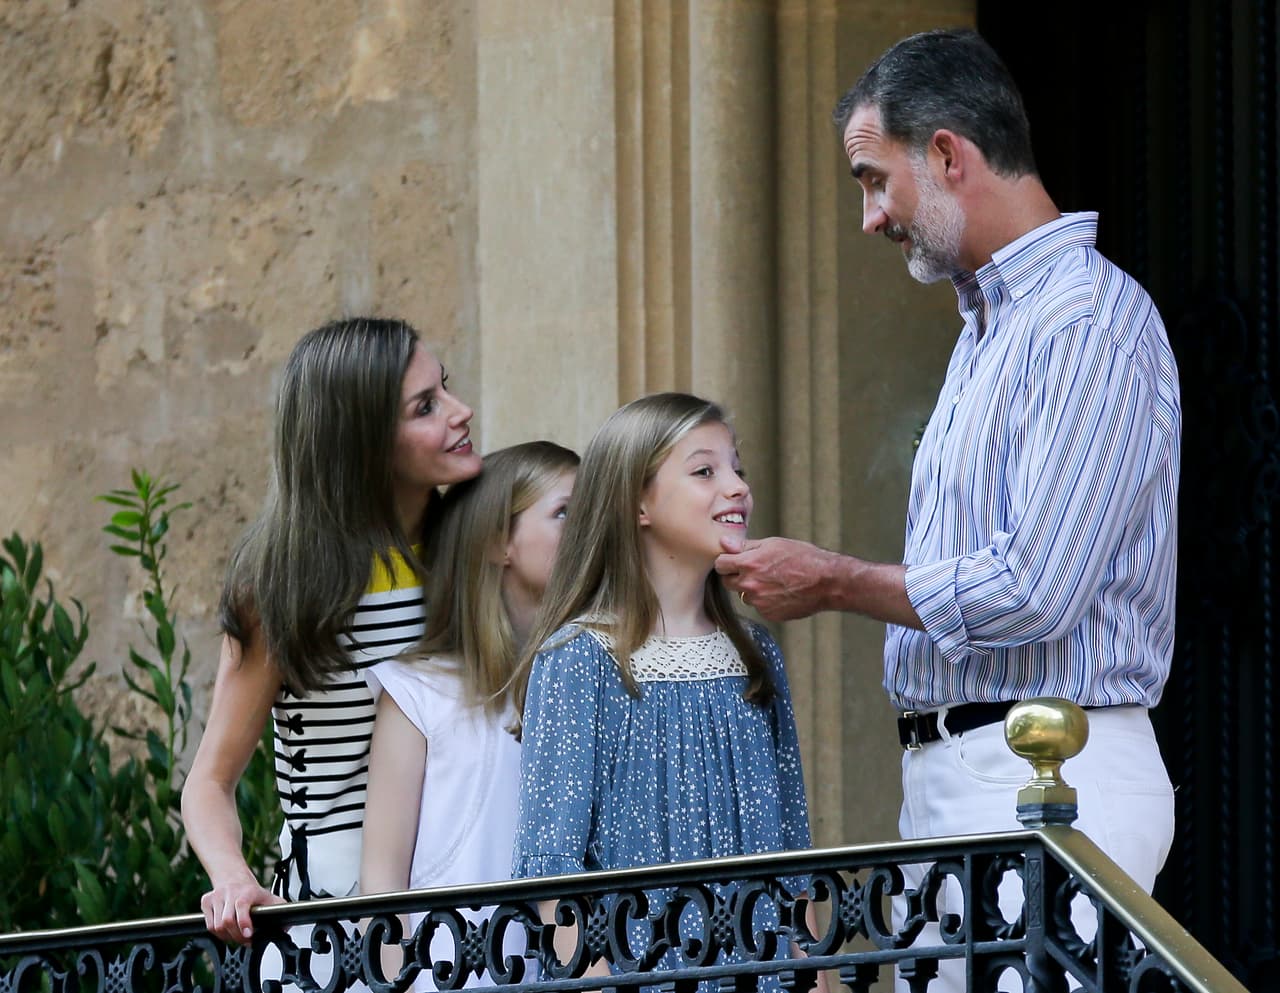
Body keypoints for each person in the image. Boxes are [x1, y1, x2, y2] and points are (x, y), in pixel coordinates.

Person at [715, 25, 1179, 982]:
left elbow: (1037, 588)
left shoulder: (1087, 320)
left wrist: (835, 580)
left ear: (947, 155)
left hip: (1054, 776)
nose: (870, 217)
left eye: (875, 180)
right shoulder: (990, 327)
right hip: (957, 780)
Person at [181, 317, 483, 944]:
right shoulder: (283, 581)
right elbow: (210, 781)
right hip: (340, 918)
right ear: (363, 440)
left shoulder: (478, 543)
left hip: (478, 890)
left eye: (446, 389)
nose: (462, 412)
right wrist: (232, 880)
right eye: (426, 406)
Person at [511, 392, 814, 988]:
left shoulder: (756, 652)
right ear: (638, 503)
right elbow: (552, 874)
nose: (736, 487)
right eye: (705, 471)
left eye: (737, 469)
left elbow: (794, 861)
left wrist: (814, 975)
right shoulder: (580, 659)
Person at [359, 441, 578, 989]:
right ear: (496, 542)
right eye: (566, 512)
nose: (591, 531)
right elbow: (382, 888)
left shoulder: (592, 686)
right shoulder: (417, 692)